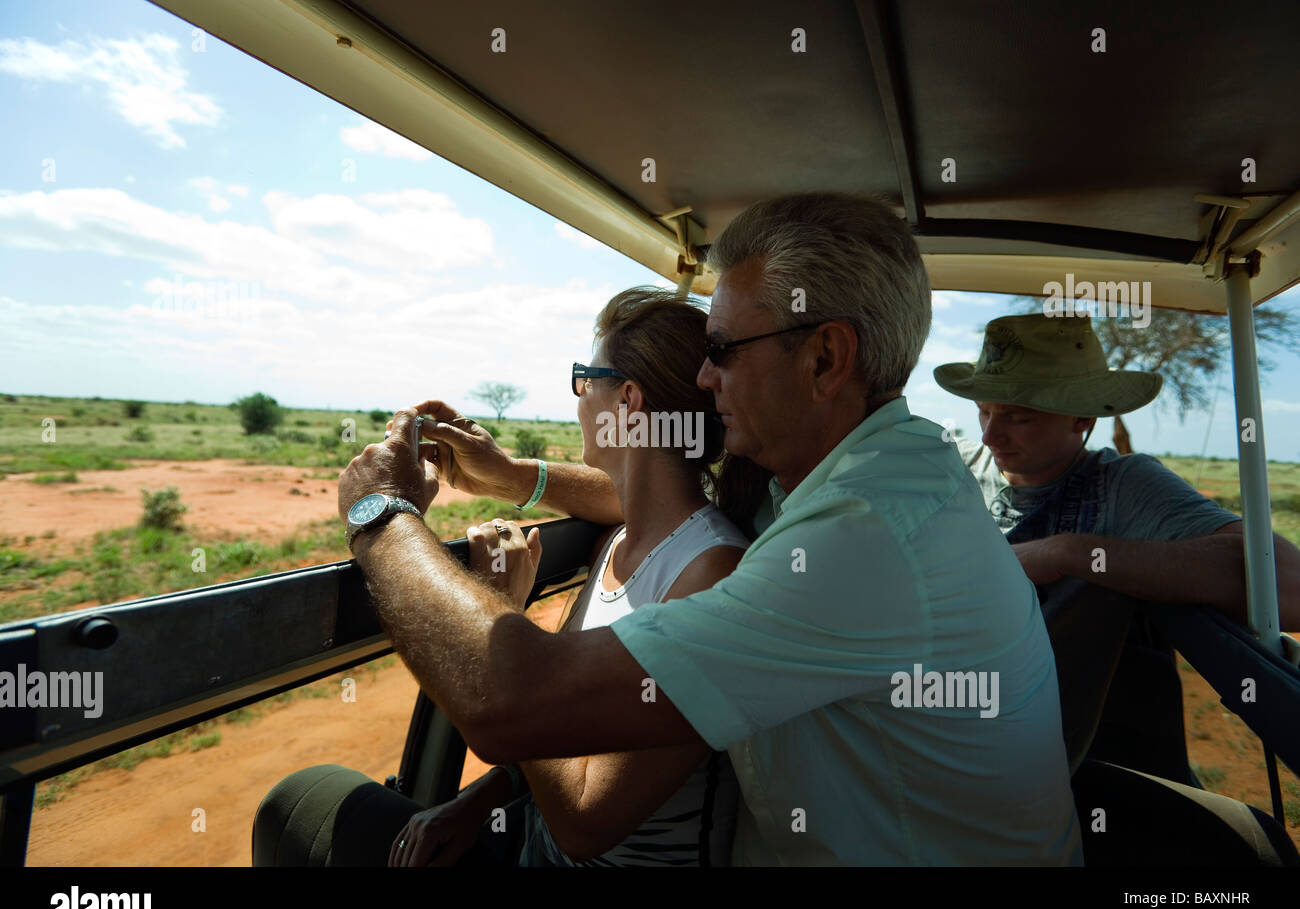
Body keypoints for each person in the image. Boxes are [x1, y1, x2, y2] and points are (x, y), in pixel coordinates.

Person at [278, 192, 1082, 865]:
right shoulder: (851, 484)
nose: (706, 375)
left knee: (301, 813)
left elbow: (512, 702)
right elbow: (662, 503)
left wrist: (381, 513)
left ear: (826, 359)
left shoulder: (858, 538)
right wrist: (519, 478)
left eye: (726, 349)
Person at [390, 288, 749, 867]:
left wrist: (503, 608)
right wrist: (482, 798)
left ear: (629, 401)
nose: (578, 398)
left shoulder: (709, 576)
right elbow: (577, 731)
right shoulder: (619, 540)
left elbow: (585, 821)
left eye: (585, 378)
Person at [933, 312, 1300, 865]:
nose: (990, 434)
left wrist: (1070, 554)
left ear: (1081, 416)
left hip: (1077, 753)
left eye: (1018, 416)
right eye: (983, 410)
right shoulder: (951, 467)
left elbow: (1288, 585)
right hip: (938, 735)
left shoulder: (1122, 486)